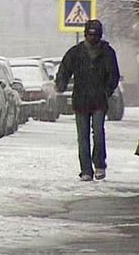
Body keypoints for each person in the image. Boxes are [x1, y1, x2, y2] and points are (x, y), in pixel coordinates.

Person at [55, 19, 120, 181]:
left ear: (100, 35)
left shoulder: (107, 52)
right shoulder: (76, 52)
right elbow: (64, 70)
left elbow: (113, 74)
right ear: (85, 34)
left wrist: (107, 91)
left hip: (99, 100)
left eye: (95, 34)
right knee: (82, 136)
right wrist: (60, 84)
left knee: (98, 132)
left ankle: (99, 165)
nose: (92, 38)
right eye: (90, 34)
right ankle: (85, 170)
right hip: (81, 100)